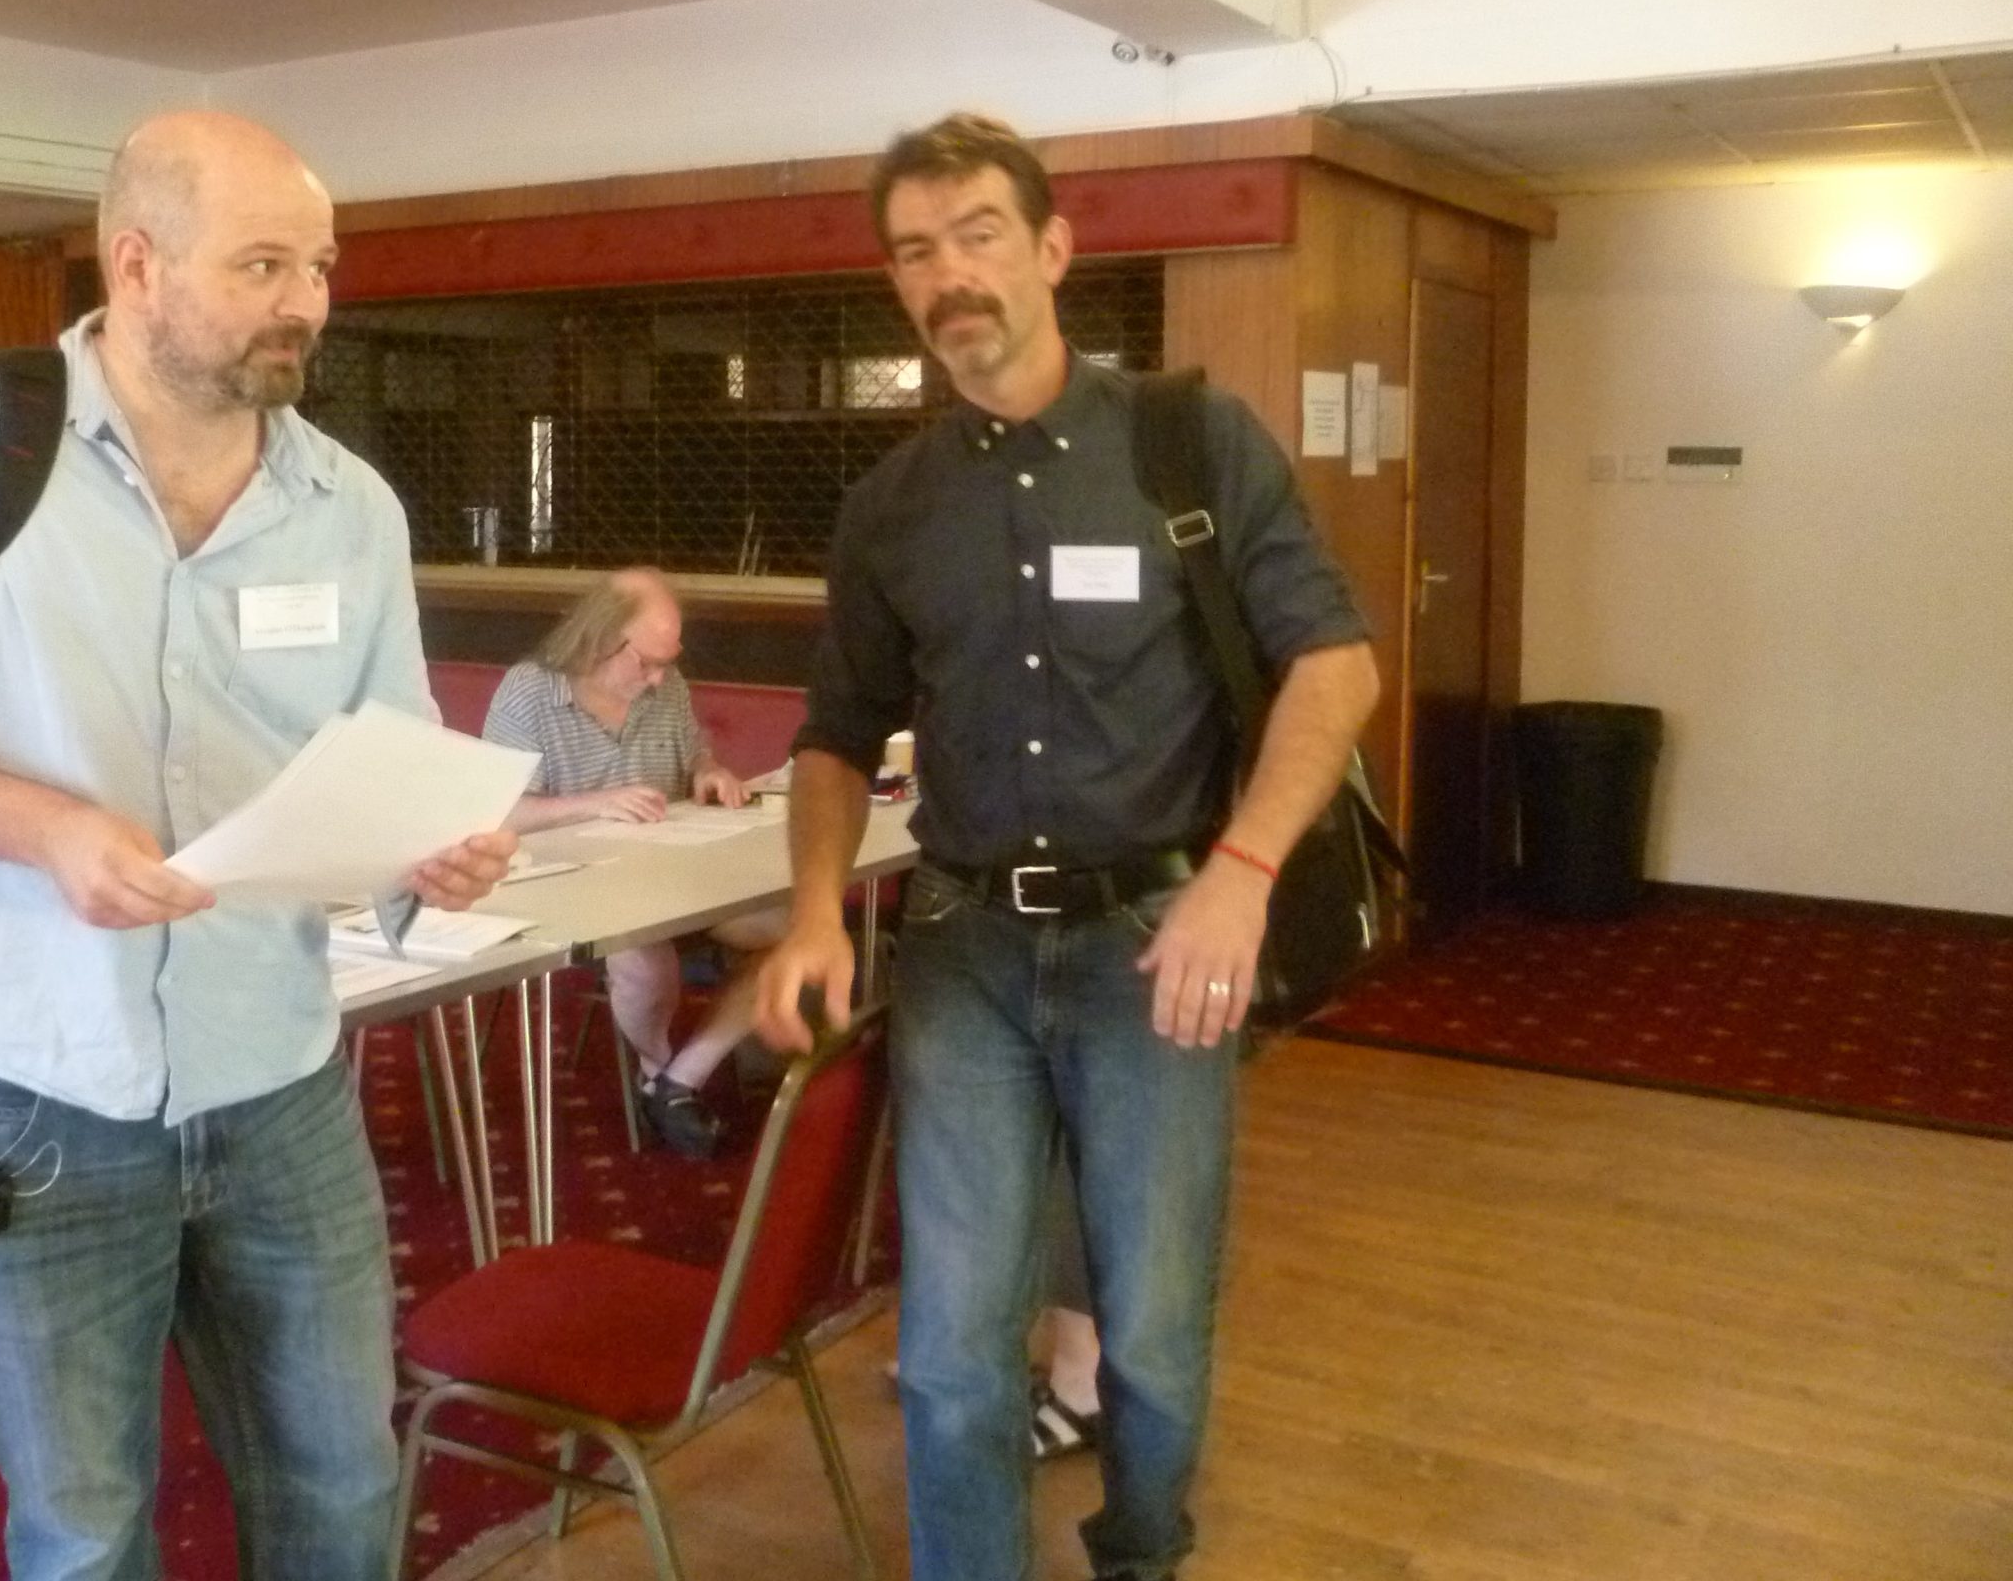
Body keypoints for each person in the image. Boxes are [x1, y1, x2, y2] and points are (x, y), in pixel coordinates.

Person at [0, 109, 514, 1581]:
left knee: (343, 1482)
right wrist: (48, 831)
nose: (307, 301)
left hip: (279, 1082)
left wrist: (428, 851)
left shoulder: (347, 508)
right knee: (87, 1532)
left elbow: (395, 753)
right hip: (35, 1090)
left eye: (321, 266)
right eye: (265, 264)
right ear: (138, 264)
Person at [758, 112, 1380, 1581]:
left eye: (978, 234)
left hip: (1158, 947)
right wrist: (811, 913)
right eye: (916, 251)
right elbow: (836, 735)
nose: (948, 274)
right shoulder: (891, 508)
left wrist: (1241, 875)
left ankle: (1140, 1553)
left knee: (1151, 1327)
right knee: (951, 1345)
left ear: (1051, 248)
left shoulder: (1188, 441)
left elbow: (1336, 664)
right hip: (962, 954)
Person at [481, 568, 782, 1158]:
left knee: (794, 929)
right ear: (600, 638)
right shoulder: (530, 692)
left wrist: (709, 773)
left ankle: (679, 1081)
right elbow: (500, 813)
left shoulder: (666, 688)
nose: (659, 678)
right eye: (646, 663)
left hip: (678, 877)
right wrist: (596, 803)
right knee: (642, 955)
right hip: (582, 891)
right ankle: (658, 1071)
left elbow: (695, 756)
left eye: (668, 662)